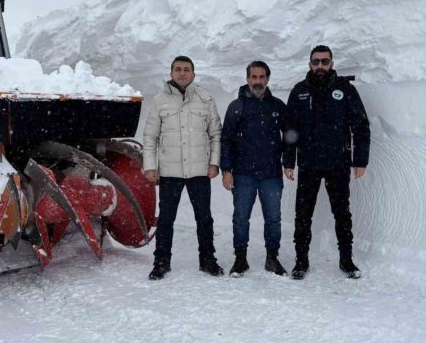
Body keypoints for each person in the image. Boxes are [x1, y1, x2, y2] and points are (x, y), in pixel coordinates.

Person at [283, 45, 371, 279]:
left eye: (324, 61)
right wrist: (288, 162)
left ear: (331, 63)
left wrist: (359, 161)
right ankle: (301, 261)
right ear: (309, 64)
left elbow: (360, 125)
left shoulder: (345, 89)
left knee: (342, 214)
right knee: (303, 215)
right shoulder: (299, 91)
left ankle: (346, 260)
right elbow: (290, 130)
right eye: (315, 61)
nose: (320, 66)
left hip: (338, 164)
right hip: (309, 165)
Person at [142, 55, 224, 280]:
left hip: (199, 171)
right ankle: (161, 262)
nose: (182, 73)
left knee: (204, 218)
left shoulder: (205, 99)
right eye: (178, 69)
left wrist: (214, 163)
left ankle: (208, 260)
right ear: (171, 73)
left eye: (186, 69)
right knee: (166, 219)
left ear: (193, 74)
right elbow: (150, 137)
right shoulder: (159, 101)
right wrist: (150, 166)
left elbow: (216, 134)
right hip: (170, 172)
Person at [220, 61, 288, 277]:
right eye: (253, 77)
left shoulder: (277, 106)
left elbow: (289, 136)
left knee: (274, 218)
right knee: (240, 218)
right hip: (243, 174)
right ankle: (240, 259)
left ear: (267, 79)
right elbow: (226, 140)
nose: (257, 81)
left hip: (271, 174)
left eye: (261, 77)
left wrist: (288, 163)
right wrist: (227, 170)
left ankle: (272, 258)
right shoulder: (236, 106)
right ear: (247, 79)